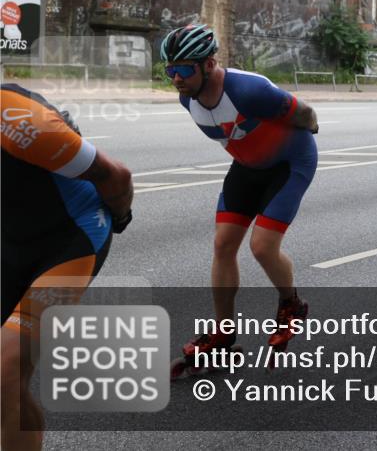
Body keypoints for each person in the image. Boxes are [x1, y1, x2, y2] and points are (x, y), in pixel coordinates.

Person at [160, 24, 319, 368]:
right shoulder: (187, 98)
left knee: (262, 246)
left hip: (290, 163)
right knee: (223, 245)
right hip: (247, 167)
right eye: (170, 70)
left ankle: (291, 303)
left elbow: (306, 114)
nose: (176, 78)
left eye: (184, 69)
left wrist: (300, 135)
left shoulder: (250, 89)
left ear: (209, 63)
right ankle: (223, 333)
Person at [2, 84, 133, 451]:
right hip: (11, 239)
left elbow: (116, 176)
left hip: (72, 238)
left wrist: (121, 217)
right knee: (8, 384)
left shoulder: (16, 120)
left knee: (5, 371)